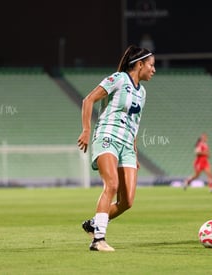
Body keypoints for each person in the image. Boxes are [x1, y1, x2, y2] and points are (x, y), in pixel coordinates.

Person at [77, 45, 155, 252]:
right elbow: (88, 100)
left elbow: (135, 123)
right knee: (111, 184)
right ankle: (98, 240)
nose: (154, 70)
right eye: (151, 65)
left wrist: (135, 152)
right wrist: (86, 130)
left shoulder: (143, 92)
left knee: (127, 201)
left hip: (127, 146)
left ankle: (95, 223)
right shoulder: (118, 79)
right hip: (107, 137)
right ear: (139, 65)